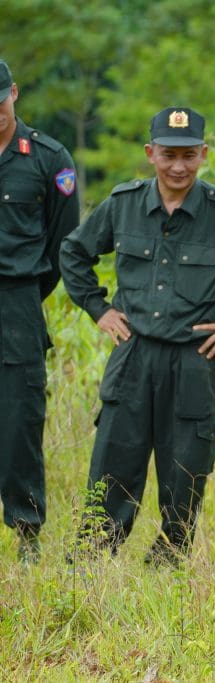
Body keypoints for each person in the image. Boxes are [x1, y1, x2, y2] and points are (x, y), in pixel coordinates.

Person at [60, 107, 215, 564]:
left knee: (185, 470)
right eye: (168, 155)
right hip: (133, 354)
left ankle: (169, 562)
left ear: (204, 154)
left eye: (189, 155)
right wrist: (99, 309)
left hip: (194, 360)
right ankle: (90, 562)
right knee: (113, 462)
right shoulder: (124, 204)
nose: (178, 166)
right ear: (150, 153)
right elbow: (74, 252)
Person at [0, 59, 81, 562]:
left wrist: (25, 294)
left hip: (18, 302)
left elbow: (63, 245)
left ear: (13, 93)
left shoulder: (49, 159)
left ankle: (26, 531)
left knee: (20, 419)